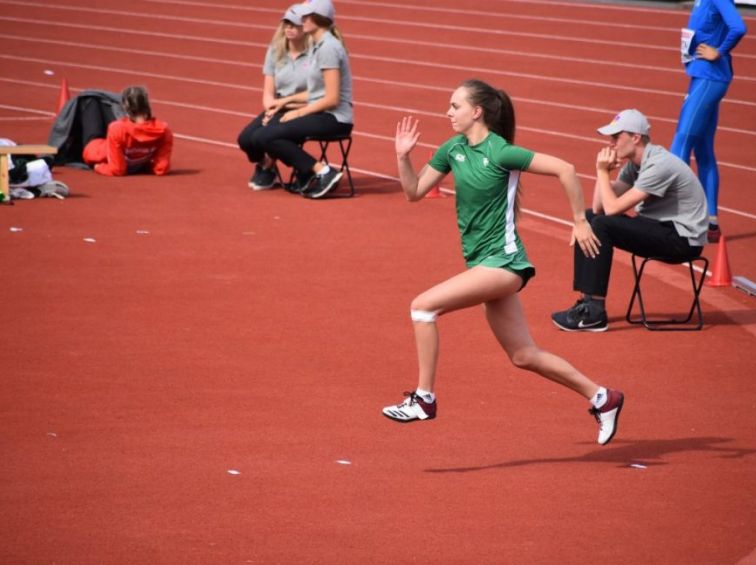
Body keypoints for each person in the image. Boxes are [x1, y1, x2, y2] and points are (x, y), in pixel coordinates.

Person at [381, 79, 625, 446]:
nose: (447, 112)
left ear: (476, 112)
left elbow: (566, 169)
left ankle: (423, 399)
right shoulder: (452, 149)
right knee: (524, 355)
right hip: (484, 264)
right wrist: (403, 157)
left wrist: (579, 220)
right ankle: (603, 398)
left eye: (454, 106)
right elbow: (414, 192)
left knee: (422, 308)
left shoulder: (501, 152)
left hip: (505, 264)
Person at [551, 109, 709, 332]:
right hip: (659, 228)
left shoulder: (659, 165)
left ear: (635, 137)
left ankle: (595, 312)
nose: (611, 143)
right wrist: (602, 173)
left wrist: (603, 172)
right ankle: (587, 302)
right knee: (588, 218)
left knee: (602, 225)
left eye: (616, 137)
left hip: (682, 240)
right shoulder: (634, 165)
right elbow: (598, 207)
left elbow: (612, 209)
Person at [239, 0, 353, 199]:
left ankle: (323, 172)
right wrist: (283, 103)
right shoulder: (321, 45)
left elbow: (332, 99)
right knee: (258, 136)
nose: (302, 20)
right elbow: (316, 92)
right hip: (320, 112)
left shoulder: (327, 48)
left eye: (306, 16)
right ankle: (305, 173)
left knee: (267, 136)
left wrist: (297, 112)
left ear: (318, 19)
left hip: (333, 118)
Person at [671, 0, 746, 242]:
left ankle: (677, 217)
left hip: (709, 77)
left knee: (681, 143)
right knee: (703, 149)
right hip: (702, 76)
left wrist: (719, 51)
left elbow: (738, 27)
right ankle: (710, 223)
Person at [237, 4, 310, 191]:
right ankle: (265, 163)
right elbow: (268, 92)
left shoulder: (315, 54)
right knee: (246, 139)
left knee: (267, 135)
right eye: (286, 23)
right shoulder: (275, 50)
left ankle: (297, 169)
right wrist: (270, 110)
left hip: (304, 107)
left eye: (294, 25)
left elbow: (318, 93)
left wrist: (281, 107)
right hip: (279, 105)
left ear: (306, 28)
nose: (289, 28)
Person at [82, 86, 173, 176]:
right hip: (116, 142)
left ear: (126, 108)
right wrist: (145, 165)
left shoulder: (117, 129)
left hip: (95, 150)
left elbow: (117, 170)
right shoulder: (163, 130)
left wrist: (98, 167)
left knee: (90, 101)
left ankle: (91, 98)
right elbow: (161, 168)